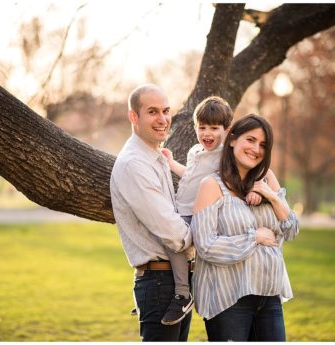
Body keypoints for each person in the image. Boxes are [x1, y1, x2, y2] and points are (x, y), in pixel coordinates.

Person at [156, 96, 281, 325]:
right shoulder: (196, 151)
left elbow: (246, 177)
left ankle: (183, 293)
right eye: (202, 127)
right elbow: (191, 176)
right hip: (181, 209)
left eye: (214, 128)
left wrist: (256, 193)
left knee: (173, 243)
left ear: (228, 130)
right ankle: (168, 294)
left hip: (199, 213)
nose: (207, 134)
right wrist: (172, 164)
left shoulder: (224, 155)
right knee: (167, 242)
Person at [191, 114, 299, 341]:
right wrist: (254, 237)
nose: (256, 149)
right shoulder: (212, 185)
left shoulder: (267, 178)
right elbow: (206, 246)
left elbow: (291, 230)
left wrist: (272, 196)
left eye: (263, 145)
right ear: (232, 140)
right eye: (250, 140)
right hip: (229, 300)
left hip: (269, 298)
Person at [109, 84, 195, 341]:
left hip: (172, 281)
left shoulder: (154, 158)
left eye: (166, 111)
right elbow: (173, 233)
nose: (163, 119)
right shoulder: (134, 164)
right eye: (153, 112)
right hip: (160, 283)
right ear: (134, 117)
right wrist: (209, 241)